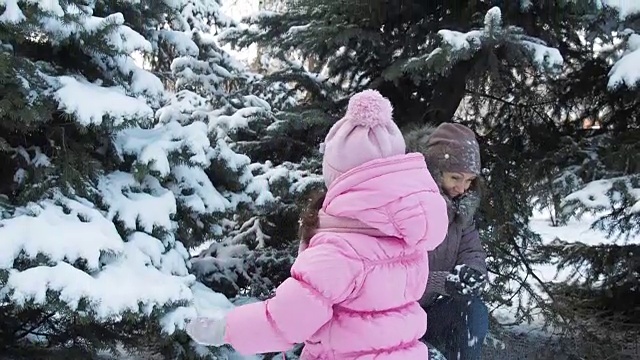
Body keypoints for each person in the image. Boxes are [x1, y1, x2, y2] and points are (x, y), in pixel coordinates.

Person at [185, 89, 449, 359]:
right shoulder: (408, 237)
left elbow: (286, 320)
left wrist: (225, 329)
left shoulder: (338, 250)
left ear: (337, 175)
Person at [404, 122, 490, 360]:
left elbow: (472, 251)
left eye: (470, 180)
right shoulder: (406, 204)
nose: (462, 188)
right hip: (391, 317)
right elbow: (394, 274)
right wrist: (442, 281)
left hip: (429, 312)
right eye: (455, 177)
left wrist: (469, 275)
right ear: (434, 169)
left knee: (472, 311)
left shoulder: (461, 210)